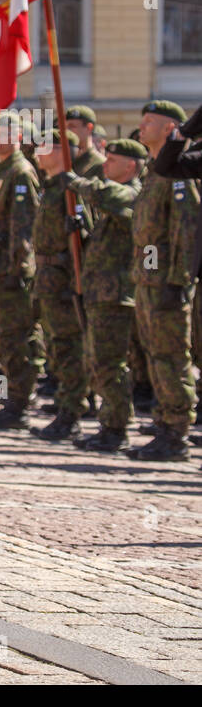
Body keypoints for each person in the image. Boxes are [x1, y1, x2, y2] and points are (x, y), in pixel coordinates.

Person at [56, 139, 146, 452]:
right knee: (98, 360)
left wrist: (76, 182)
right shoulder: (112, 206)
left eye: (112, 160)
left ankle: (116, 427)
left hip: (116, 295)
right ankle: (110, 423)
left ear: (131, 166)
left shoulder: (134, 193)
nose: (105, 165)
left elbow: (108, 194)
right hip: (99, 292)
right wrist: (81, 230)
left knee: (110, 362)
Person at [128, 100, 200, 460]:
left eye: (150, 122)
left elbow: (184, 232)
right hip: (149, 280)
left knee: (171, 357)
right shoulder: (154, 172)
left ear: (171, 128)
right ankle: (164, 422)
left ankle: (176, 431)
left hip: (166, 284)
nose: (142, 128)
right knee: (155, 355)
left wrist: (177, 280)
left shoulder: (179, 180)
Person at [0, 112, 44, 430]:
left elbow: (23, 227)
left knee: (15, 339)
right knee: (0, 338)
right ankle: (8, 399)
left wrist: (20, 270)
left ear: (17, 137)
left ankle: (19, 404)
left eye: (4, 134)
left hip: (8, 273)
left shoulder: (20, 172)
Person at [29, 128, 91, 441]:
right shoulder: (51, 187)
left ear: (60, 151)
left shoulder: (71, 189)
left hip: (65, 281)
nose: (37, 152)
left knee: (69, 348)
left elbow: (86, 240)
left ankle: (73, 411)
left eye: (44, 146)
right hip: (48, 280)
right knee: (58, 346)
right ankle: (67, 406)